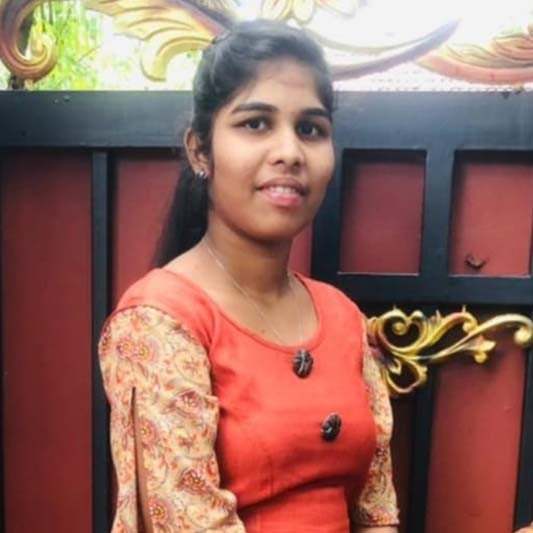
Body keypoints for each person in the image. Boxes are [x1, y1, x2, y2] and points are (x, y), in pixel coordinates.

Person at [98, 19, 399, 532]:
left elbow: (377, 511)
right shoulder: (158, 321)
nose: (290, 152)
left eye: (310, 129)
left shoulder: (342, 317)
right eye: (256, 123)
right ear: (200, 150)